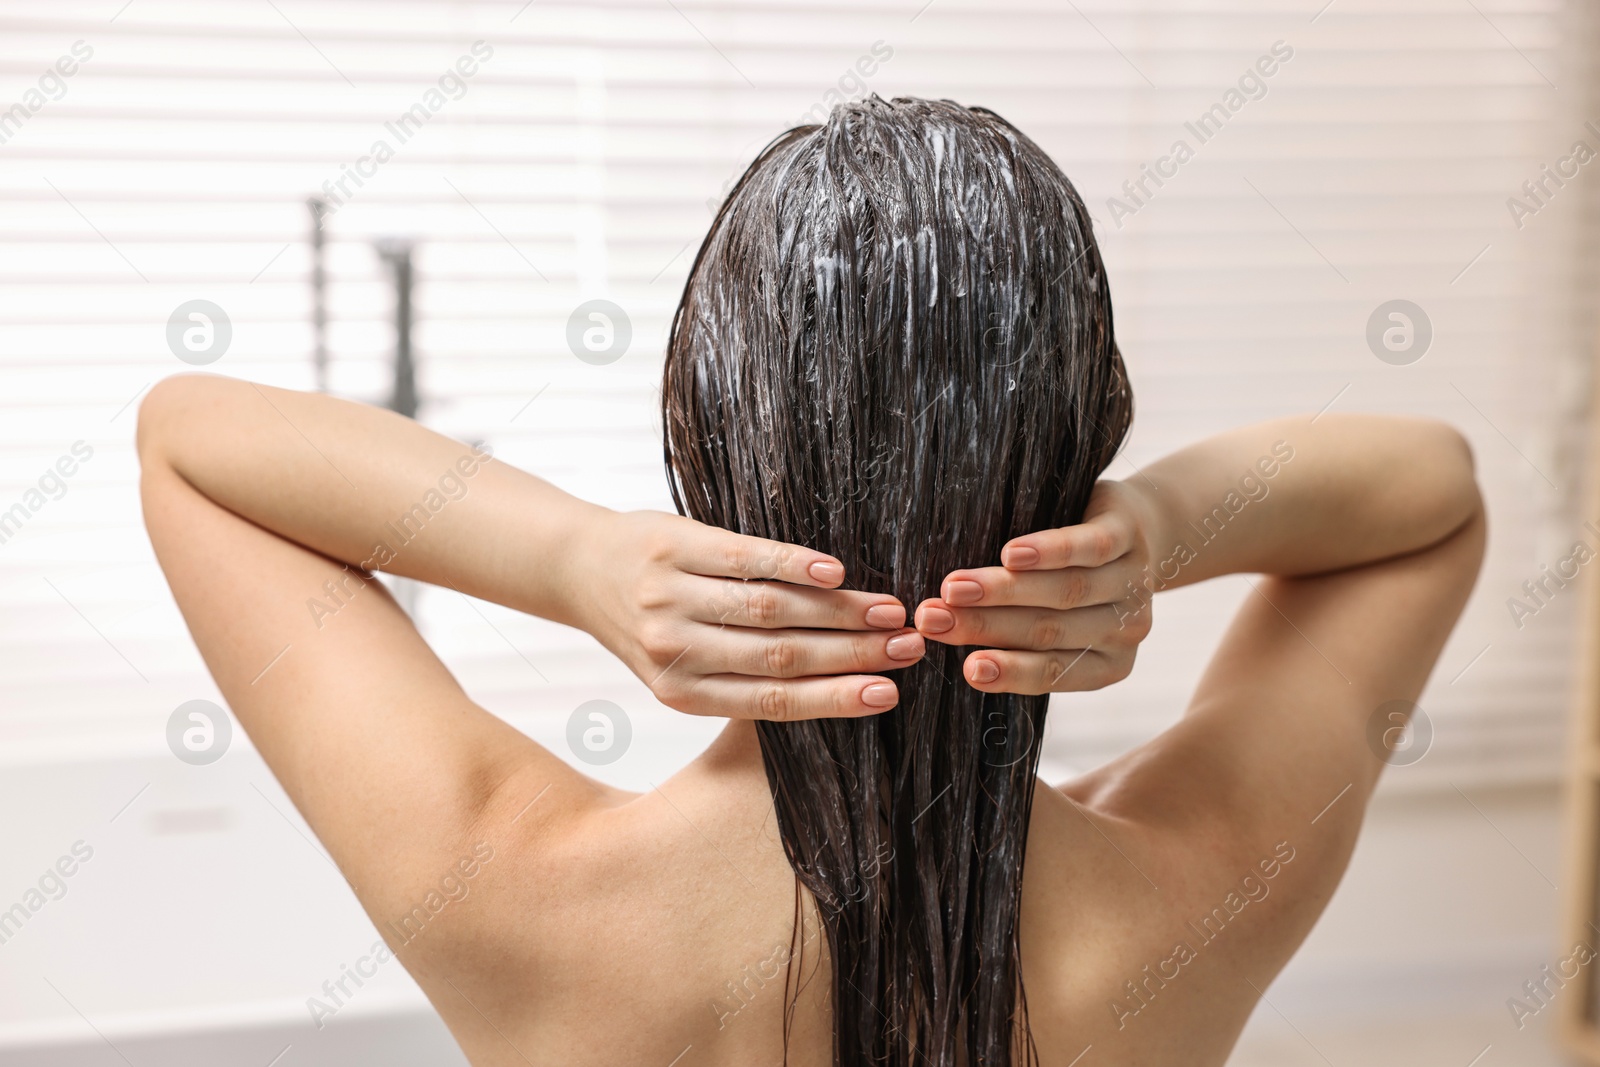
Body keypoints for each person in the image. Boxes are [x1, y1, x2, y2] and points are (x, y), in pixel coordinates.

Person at [137, 97, 1484, 1066]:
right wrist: (1162, 531)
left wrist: (569, 556)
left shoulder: (518, 893)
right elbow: (1432, 495)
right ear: (1079, 449)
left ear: (703, 436)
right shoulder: (1197, 893)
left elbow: (190, 443)